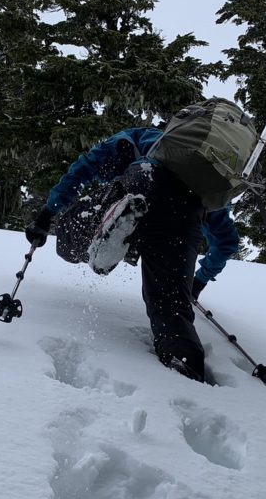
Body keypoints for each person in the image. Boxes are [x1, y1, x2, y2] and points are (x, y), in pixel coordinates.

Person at [24, 121, 241, 383]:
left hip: (143, 179)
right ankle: (184, 366)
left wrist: (47, 214)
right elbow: (227, 242)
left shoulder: (140, 138)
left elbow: (84, 168)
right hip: (185, 214)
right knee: (171, 306)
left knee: (70, 237)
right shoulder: (207, 180)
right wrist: (198, 282)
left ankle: (113, 221)